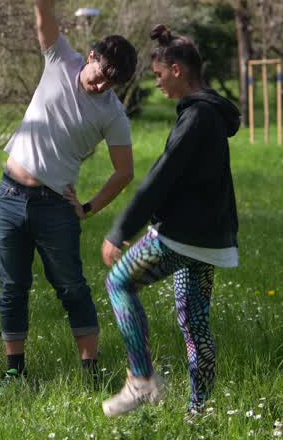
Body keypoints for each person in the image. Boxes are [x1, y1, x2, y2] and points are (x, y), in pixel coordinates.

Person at [0, 0, 138, 386]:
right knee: (13, 287)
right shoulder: (60, 57)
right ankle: (15, 373)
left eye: (112, 84)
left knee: (71, 286)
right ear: (92, 56)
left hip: (57, 204)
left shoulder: (113, 113)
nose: (102, 87)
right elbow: (43, 6)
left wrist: (91, 206)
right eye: (101, 76)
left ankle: (91, 371)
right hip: (10, 195)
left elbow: (124, 171)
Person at [99, 24, 241, 417]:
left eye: (160, 75)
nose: (158, 84)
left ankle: (141, 380)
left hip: (180, 237)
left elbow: (159, 179)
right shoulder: (212, 112)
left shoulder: (195, 120)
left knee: (119, 281)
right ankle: (200, 412)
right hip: (212, 241)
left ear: (177, 70)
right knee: (195, 324)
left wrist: (120, 231)